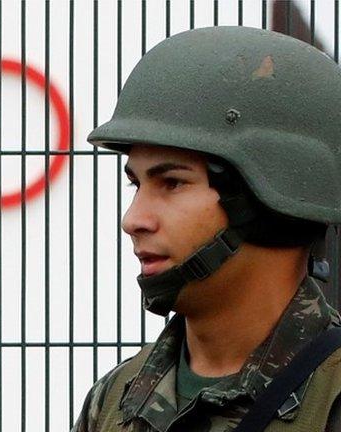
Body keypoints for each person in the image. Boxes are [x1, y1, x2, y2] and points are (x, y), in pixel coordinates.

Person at [72, 26, 341, 431]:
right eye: (136, 183)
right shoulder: (116, 400)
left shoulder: (330, 399)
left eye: (172, 183)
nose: (133, 220)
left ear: (265, 200)